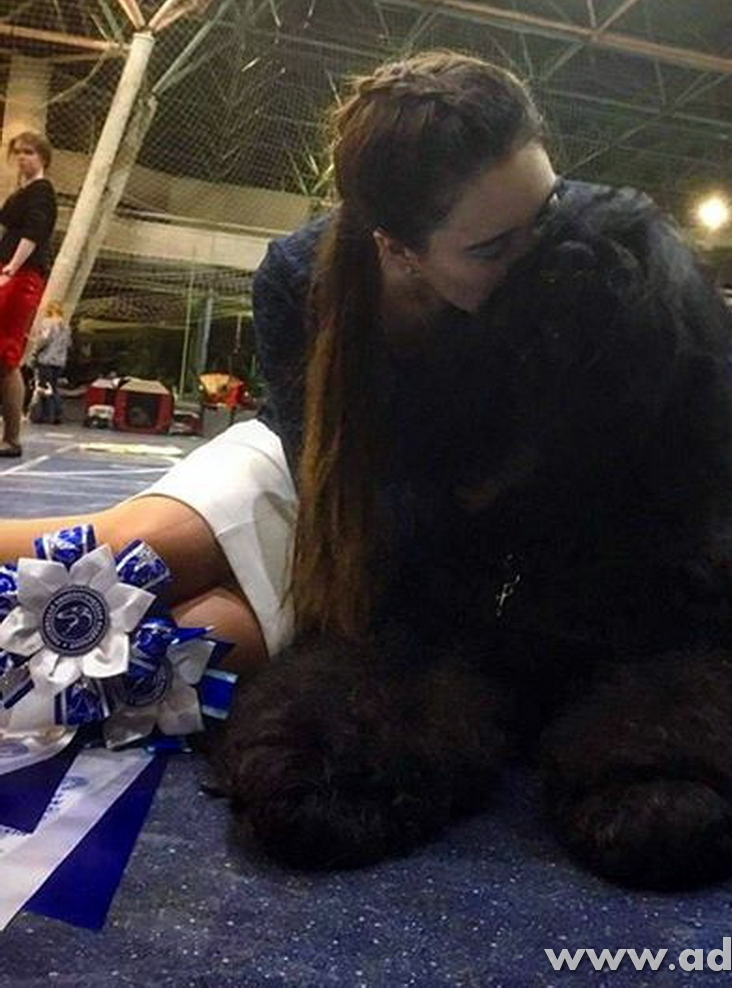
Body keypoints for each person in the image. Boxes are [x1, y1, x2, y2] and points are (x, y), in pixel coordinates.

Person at [0, 52, 558, 671]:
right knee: (125, 553)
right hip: (320, 480)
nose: (541, 256)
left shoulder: (581, 274)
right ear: (400, 249)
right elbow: (314, 465)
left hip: (440, 537)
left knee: (184, 652)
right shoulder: (295, 276)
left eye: (549, 213)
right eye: (493, 249)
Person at [0, 132, 58, 457]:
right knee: (3, 360)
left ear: (43, 157)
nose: (22, 157)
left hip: (21, 277)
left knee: (7, 357)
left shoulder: (42, 192)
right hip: (10, 273)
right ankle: (10, 437)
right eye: (18, 152)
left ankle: (12, 439)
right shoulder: (23, 192)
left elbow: (33, 233)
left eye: (29, 152)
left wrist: (11, 268)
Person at [32, 300, 71, 424]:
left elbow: (44, 339)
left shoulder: (47, 322)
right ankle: (57, 414)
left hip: (46, 359)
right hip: (60, 361)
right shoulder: (66, 326)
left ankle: (45, 415)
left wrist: (35, 349)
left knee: (44, 388)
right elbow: (68, 344)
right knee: (53, 387)